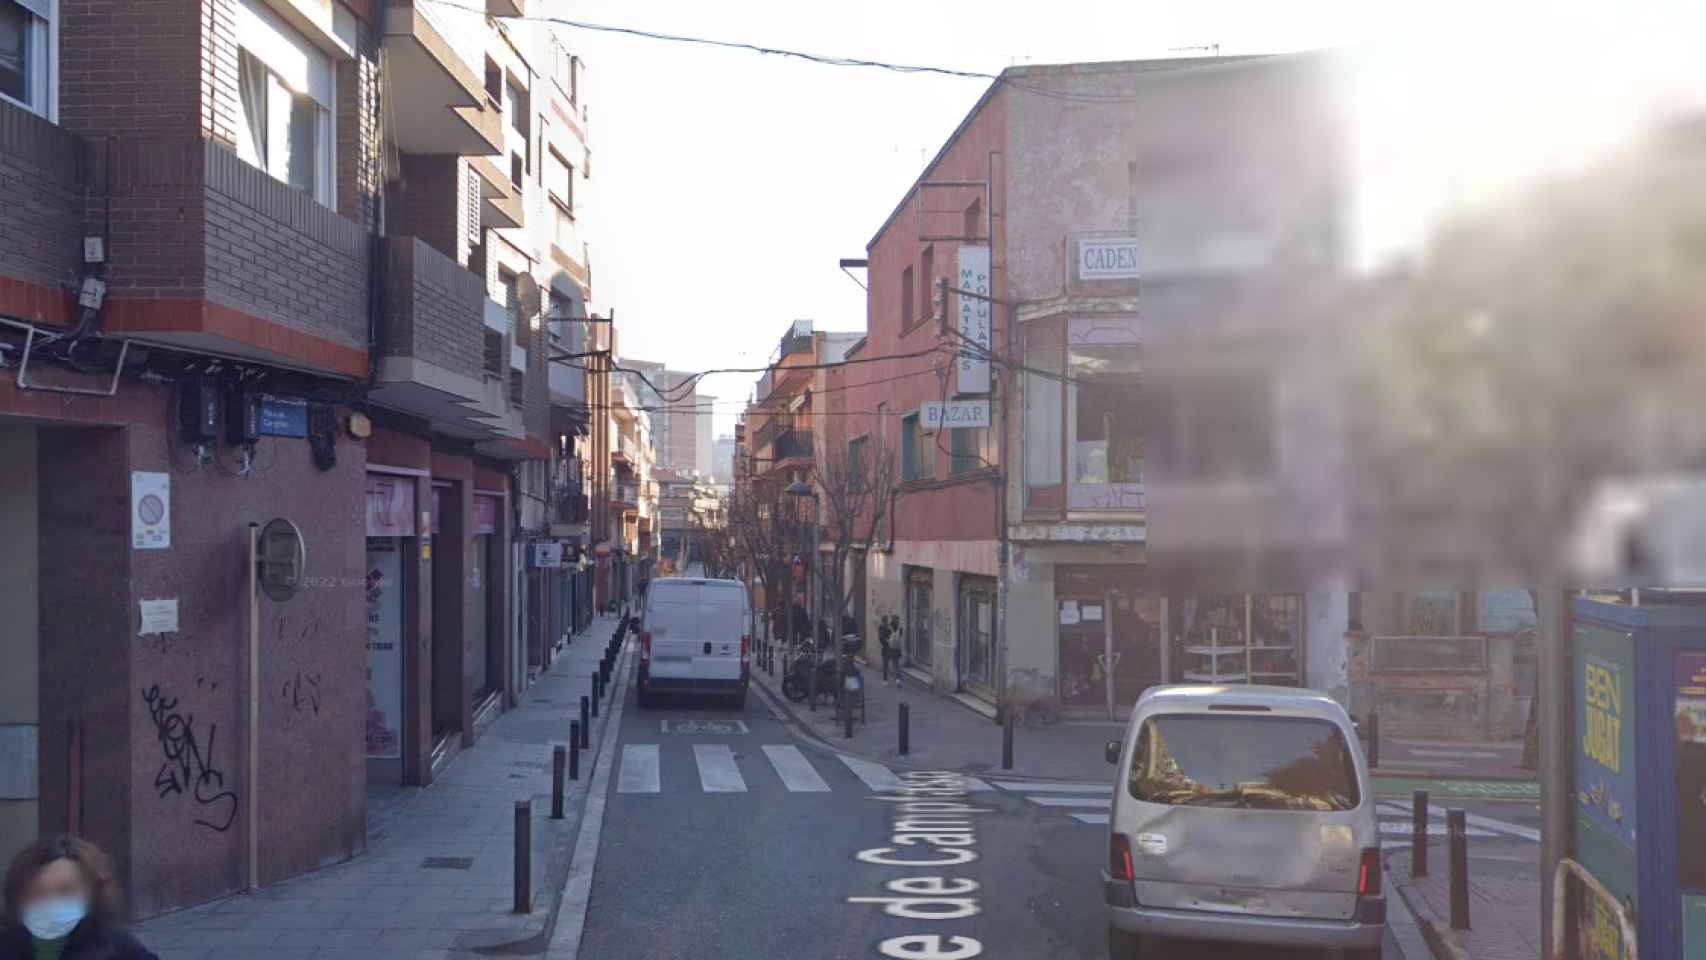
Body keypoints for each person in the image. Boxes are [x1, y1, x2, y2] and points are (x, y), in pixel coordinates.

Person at [1, 835, 159, 960]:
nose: (51, 902)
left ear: (92, 894)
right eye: (37, 891)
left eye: (65, 891)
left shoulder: (119, 948)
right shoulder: (6, 946)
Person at [882, 615, 904, 686]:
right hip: (895, 648)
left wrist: (888, 641)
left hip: (888, 648)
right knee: (895, 664)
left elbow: (883, 638)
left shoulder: (887, 627)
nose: (897, 621)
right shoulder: (899, 628)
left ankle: (886, 680)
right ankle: (897, 679)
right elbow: (900, 637)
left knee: (887, 664)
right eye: (897, 619)